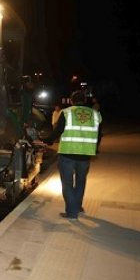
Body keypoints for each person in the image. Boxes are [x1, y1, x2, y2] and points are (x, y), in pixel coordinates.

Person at [37, 90, 102, 220]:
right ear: (84, 100)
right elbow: (99, 135)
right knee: (80, 182)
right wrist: (94, 148)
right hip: (85, 155)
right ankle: (77, 206)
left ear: (72, 100)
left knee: (67, 183)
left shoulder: (67, 113)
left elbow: (57, 132)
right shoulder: (95, 114)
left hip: (67, 153)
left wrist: (45, 141)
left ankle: (72, 213)